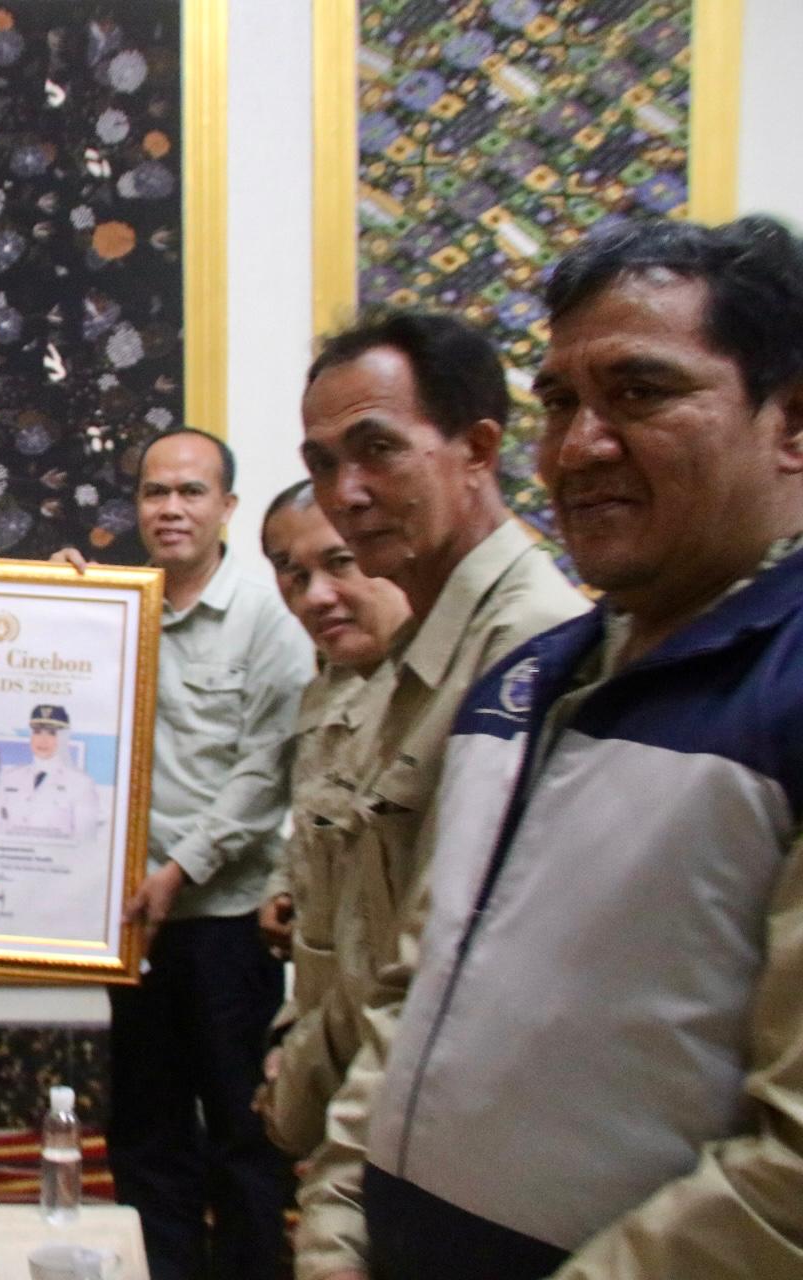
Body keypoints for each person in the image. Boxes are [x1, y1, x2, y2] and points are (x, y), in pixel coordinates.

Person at [297, 215, 803, 1280]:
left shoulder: (780, 691)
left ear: (790, 422)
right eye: (562, 402)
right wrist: (337, 1231)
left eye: (642, 393)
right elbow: (409, 995)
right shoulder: (527, 685)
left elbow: (789, 1175)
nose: (579, 448)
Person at [287, 310, 586, 1156]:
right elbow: (353, 930)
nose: (345, 494)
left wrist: (311, 1103)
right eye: (322, 464)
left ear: (479, 450)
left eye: (378, 449)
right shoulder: (415, 653)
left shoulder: (530, 649)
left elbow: (444, 978)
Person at [59, 426, 315, 1278]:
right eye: (154, 492)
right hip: (134, 923)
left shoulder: (268, 620)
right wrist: (49, 603)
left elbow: (266, 770)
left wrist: (181, 868)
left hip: (225, 921)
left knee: (244, 1131)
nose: (170, 508)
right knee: (146, 1129)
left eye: (190, 491)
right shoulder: (113, 608)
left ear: (226, 506)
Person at [251, 482, 410, 1161]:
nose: (315, 596)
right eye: (293, 575)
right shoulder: (329, 686)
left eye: (340, 562)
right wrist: (285, 888)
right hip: (325, 1023)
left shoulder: (434, 700)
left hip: (390, 1048)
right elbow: (319, 821)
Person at [0, 704, 101, 841]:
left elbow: (85, 841)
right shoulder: (10, 777)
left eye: (52, 733)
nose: (42, 740)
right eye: (37, 732)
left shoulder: (81, 783)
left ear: (64, 738)